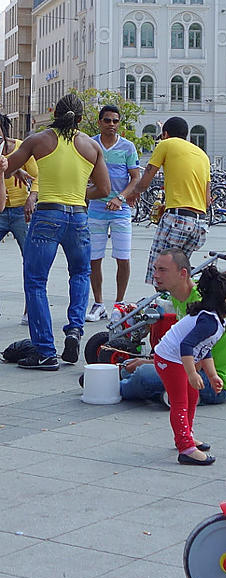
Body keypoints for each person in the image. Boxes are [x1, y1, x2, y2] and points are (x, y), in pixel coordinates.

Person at [6, 94, 110, 371]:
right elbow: (104, 189)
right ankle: (74, 330)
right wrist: (77, 194)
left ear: (54, 113)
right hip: (78, 216)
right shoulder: (92, 146)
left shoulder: (38, 140)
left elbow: (8, 168)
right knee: (80, 273)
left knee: (36, 281)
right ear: (79, 118)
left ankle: (44, 351)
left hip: (47, 214)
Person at [116, 248, 226, 406]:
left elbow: (195, 356)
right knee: (131, 368)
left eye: (162, 270)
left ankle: (111, 390)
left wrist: (149, 363)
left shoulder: (201, 304)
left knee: (143, 375)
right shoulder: (179, 296)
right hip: (195, 367)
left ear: (183, 273)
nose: (155, 275)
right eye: (155, 269)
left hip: (215, 381)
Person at [153, 266, 226, 466]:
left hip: (178, 358)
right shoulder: (210, 322)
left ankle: (186, 435)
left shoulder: (219, 320)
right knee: (180, 401)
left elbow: (205, 348)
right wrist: (192, 373)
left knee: (193, 395)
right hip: (169, 359)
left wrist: (211, 375)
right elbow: (187, 345)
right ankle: (185, 448)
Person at [125, 116, 211, 285]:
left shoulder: (165, 144)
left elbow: (147, 177)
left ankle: (166, 310)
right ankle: (183, 309)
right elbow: (207, 199)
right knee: (179, 276)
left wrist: (133, 193)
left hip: (178, 220)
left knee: (160, 274)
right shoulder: (202, 155)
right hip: (199, 225)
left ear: (165, 134)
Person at [85, 105, 141, 323]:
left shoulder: (127, 147)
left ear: (119, 124)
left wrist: (121, 198)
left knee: (123, 257)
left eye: (115, 121)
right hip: (96, 209)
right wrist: (88, 194)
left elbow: (135, 177)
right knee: (93, 258)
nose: (111, 124)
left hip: (121, 210)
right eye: (107, 120)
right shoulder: (90, 144)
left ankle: (119, 304)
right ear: (99, 122)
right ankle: (98, 303)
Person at [0, 112, 38, 325]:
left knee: (30, 260)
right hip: (0, 210)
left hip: (20, 212)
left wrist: (32, 197)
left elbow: (37, 176)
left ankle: (29, 309)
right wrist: (15, 171)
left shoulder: (22, 147)